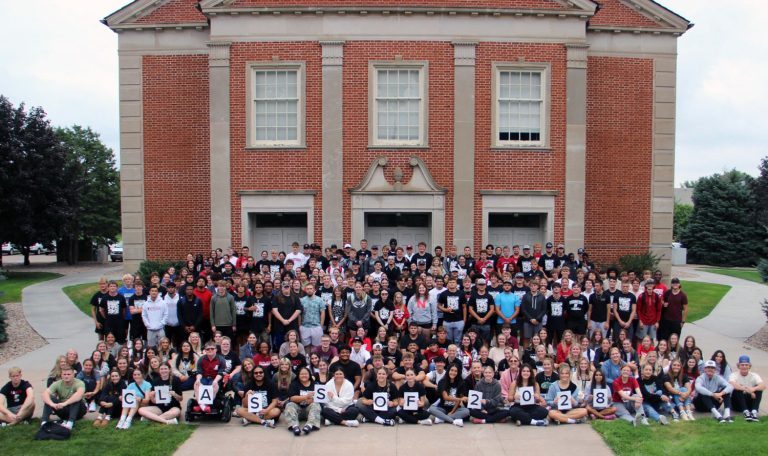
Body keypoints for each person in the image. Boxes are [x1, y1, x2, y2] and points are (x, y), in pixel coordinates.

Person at [285, 366, 322, 435]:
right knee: (289, 405)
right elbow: (292, 398)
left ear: (309, 375)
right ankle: (295, 426)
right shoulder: (294, 384)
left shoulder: (315, 384)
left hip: (309, 412)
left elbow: (320, 398)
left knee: (316, 404)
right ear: (298, 375)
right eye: (301, 374)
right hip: (297, 411)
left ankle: (309, 425)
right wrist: (305, 397)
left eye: (306, 374)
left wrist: (313, 400)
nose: (304, 375)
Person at [729, 355, 764, 422]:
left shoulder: (754, 375)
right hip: (737, 404)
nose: (744, 367)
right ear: (738, 366)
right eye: (742, 365)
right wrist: (749, 390)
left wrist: (754, 389)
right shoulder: (734, 375)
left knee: (759, 389)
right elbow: (733, 384)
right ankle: (745, 412)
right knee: (737, 389)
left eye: (746, 365)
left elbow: (763, 386)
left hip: (749, 402)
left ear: (749, 366)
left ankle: (754, 412)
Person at [194, 341, 225, 413]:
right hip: (204, 378)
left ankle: (202, 406)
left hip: (215, 378)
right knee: (196, 384)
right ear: (205, 350)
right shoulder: (201, 359)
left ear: (216, 350)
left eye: (212, 348)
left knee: (214, 385)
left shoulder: (221, 359)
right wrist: (198, 379)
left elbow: (221, 373)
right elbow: (199, 372)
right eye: (208, 349)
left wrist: (215, 381)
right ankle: (203, 406)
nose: (210, 350)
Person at [659, 278, 687, 342]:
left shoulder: (683, 295)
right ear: (671, 284)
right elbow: (662, 300)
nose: (675, 284)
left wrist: (683, 321)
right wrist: (663, 303)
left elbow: (685, 309)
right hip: (666, 320)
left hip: (677, 321)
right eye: (673, 283)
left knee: (674, 339)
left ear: (679, 284)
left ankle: (674, 351)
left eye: (676, 283)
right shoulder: (668, 293)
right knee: (664, 338)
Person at [300, 283, 325, 351]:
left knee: (316, 347)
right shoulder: (302, 300)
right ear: (305, 290)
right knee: (306, 346)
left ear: (314, 290)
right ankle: (308, 360)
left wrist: (321, 326)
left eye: (311, 289)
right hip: (305, 326)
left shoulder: (319, 300)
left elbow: (322, 313)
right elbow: (299, 314)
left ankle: (315, 360)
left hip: (316, 326)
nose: (309, 290)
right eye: (307, 289)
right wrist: (299, 325)